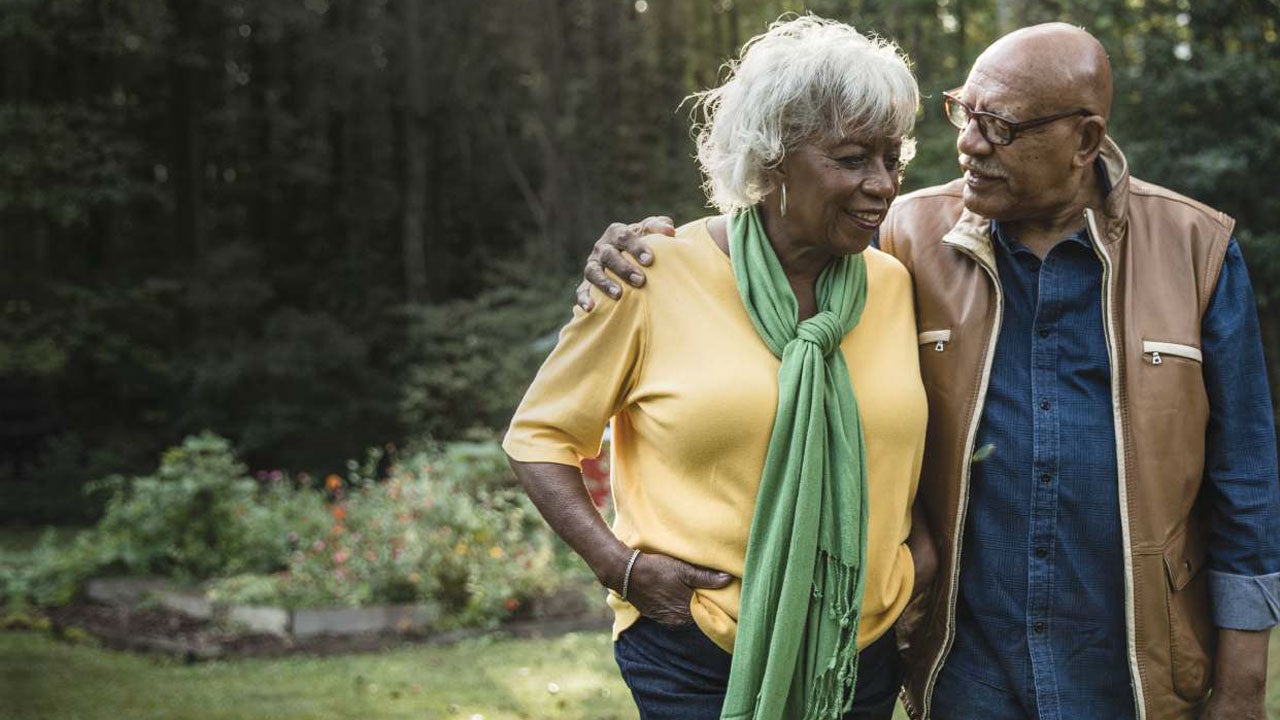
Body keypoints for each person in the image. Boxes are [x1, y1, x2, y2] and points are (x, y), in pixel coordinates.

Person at [579, 22, 1280, 720]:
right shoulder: (898, 238)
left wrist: (1245, 681)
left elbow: (1245, 475)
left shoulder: (1198, 250)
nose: (968, 143)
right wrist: (640, 250)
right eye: (964, 112)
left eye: (999, 125)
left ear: (1085, 141)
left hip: (1134, 664)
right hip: (964, 666)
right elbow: (766, 257)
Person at [503, 15, 936, 720]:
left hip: (858, 651)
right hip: (694, 643)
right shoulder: (651, 275)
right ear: (772, 160)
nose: (882, 185)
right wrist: (620, 566)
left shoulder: (896, 284)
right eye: (853, 158)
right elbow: (538, 438)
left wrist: (919, 558)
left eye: (893, 159)